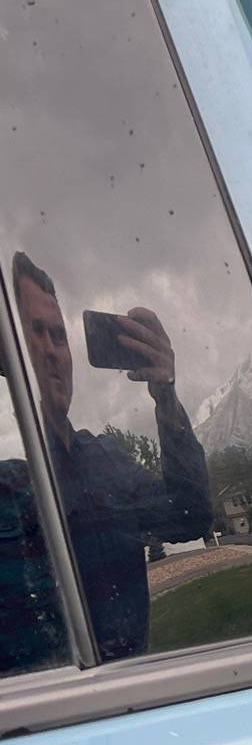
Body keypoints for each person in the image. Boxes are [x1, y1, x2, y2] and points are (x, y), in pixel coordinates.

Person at [0, 252, 210, 665]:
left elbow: (190, 516)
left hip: (132, 703)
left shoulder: (105, 460)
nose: (50, 350)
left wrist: (165, 395)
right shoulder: (8, 473)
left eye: (59, 336)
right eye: (32, 335)